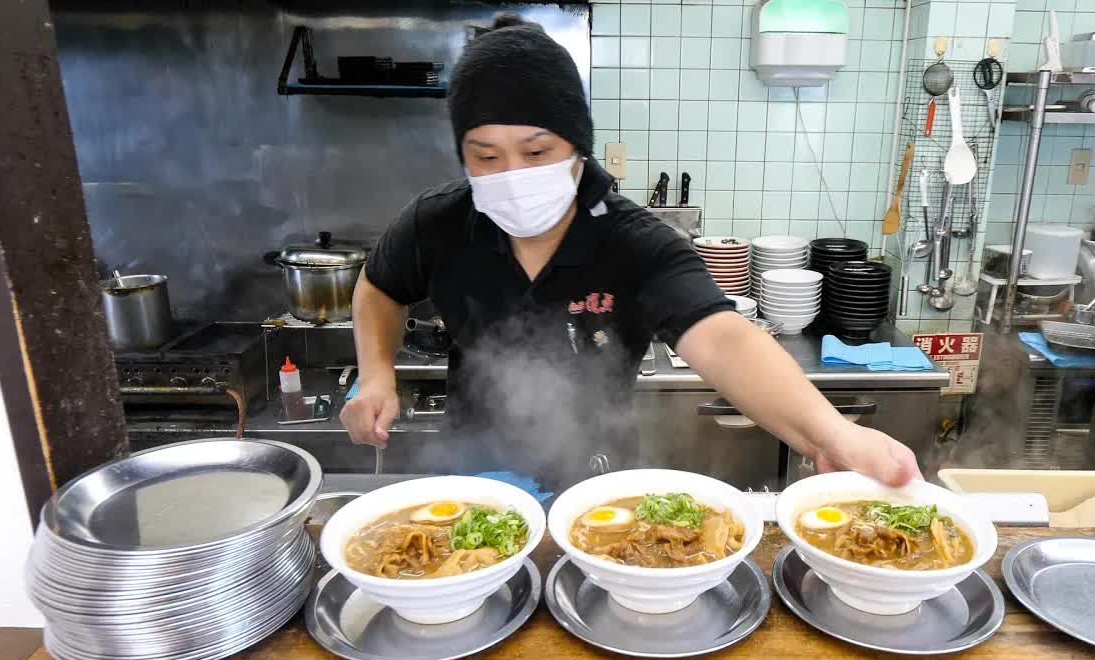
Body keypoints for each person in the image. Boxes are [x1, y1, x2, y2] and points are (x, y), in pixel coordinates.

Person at [341, 15, 919, 489]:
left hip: (596, 481)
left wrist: (832, 434)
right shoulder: (438, 221)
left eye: (537, 150)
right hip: (470, 476)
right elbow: (379, 287)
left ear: (577, 145)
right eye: (486, 157)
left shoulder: (632, 241)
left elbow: (721, 336)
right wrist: (375, 375)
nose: (512, 174)